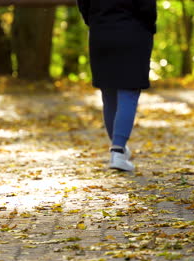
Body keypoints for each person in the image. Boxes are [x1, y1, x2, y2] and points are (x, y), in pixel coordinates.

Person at [77, 0, 157, 171]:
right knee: (129, 91)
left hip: (101, 33)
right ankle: (118, 151)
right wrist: (149, 28)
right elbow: (147, 7)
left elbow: (83, 3)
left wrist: (97, 21)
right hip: (133, 32)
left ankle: (117, 148)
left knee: (109, 92)